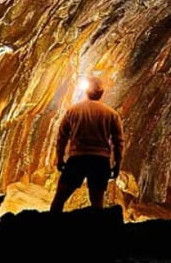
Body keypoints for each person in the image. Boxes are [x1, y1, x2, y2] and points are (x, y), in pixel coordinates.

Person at [50, 77, 124, 212]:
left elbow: (62, 137)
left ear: (86, 92)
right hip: (100, 161)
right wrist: (117, 164)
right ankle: (95, 231)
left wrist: (60, 158)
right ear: (102, 93)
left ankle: (50, 229)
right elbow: (118, 142)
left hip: (77, 159)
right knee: (97, 202)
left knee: (60, 197)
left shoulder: (73, 111)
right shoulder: (111, 114)